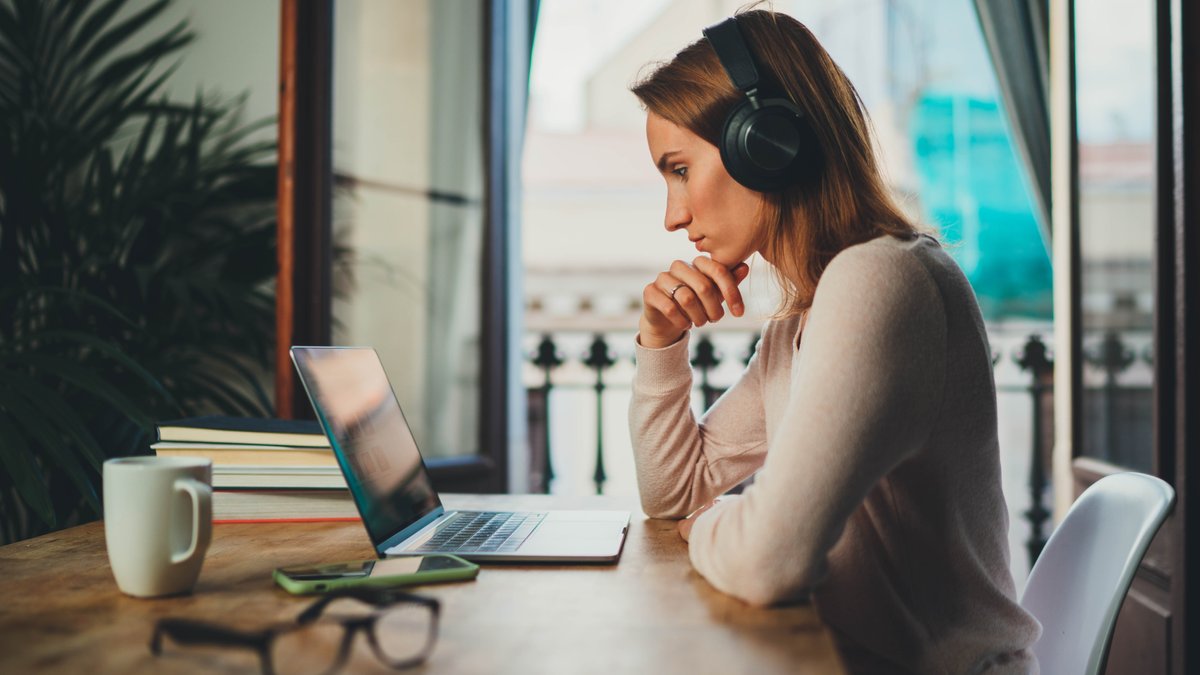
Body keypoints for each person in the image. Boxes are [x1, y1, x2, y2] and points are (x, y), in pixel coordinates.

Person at [627, 9, 1042, 674]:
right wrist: (660, 342)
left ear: (765, 142)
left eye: (679, 169)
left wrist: (707, 528)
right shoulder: (804, 322)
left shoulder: (883, 279)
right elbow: (676, 491)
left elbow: (768, 561)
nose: (673, 215)